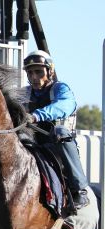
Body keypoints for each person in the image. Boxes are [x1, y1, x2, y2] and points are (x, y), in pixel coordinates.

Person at [21, 50, 89, 209]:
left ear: (49, 71)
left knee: (60, 132)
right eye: (30, 73)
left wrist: (36, 116)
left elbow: (63, 106)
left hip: (59, 147)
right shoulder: (23, 93)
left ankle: (79, 190)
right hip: (33, 146)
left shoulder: (61, 89)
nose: (34, 77)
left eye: (38, 71)